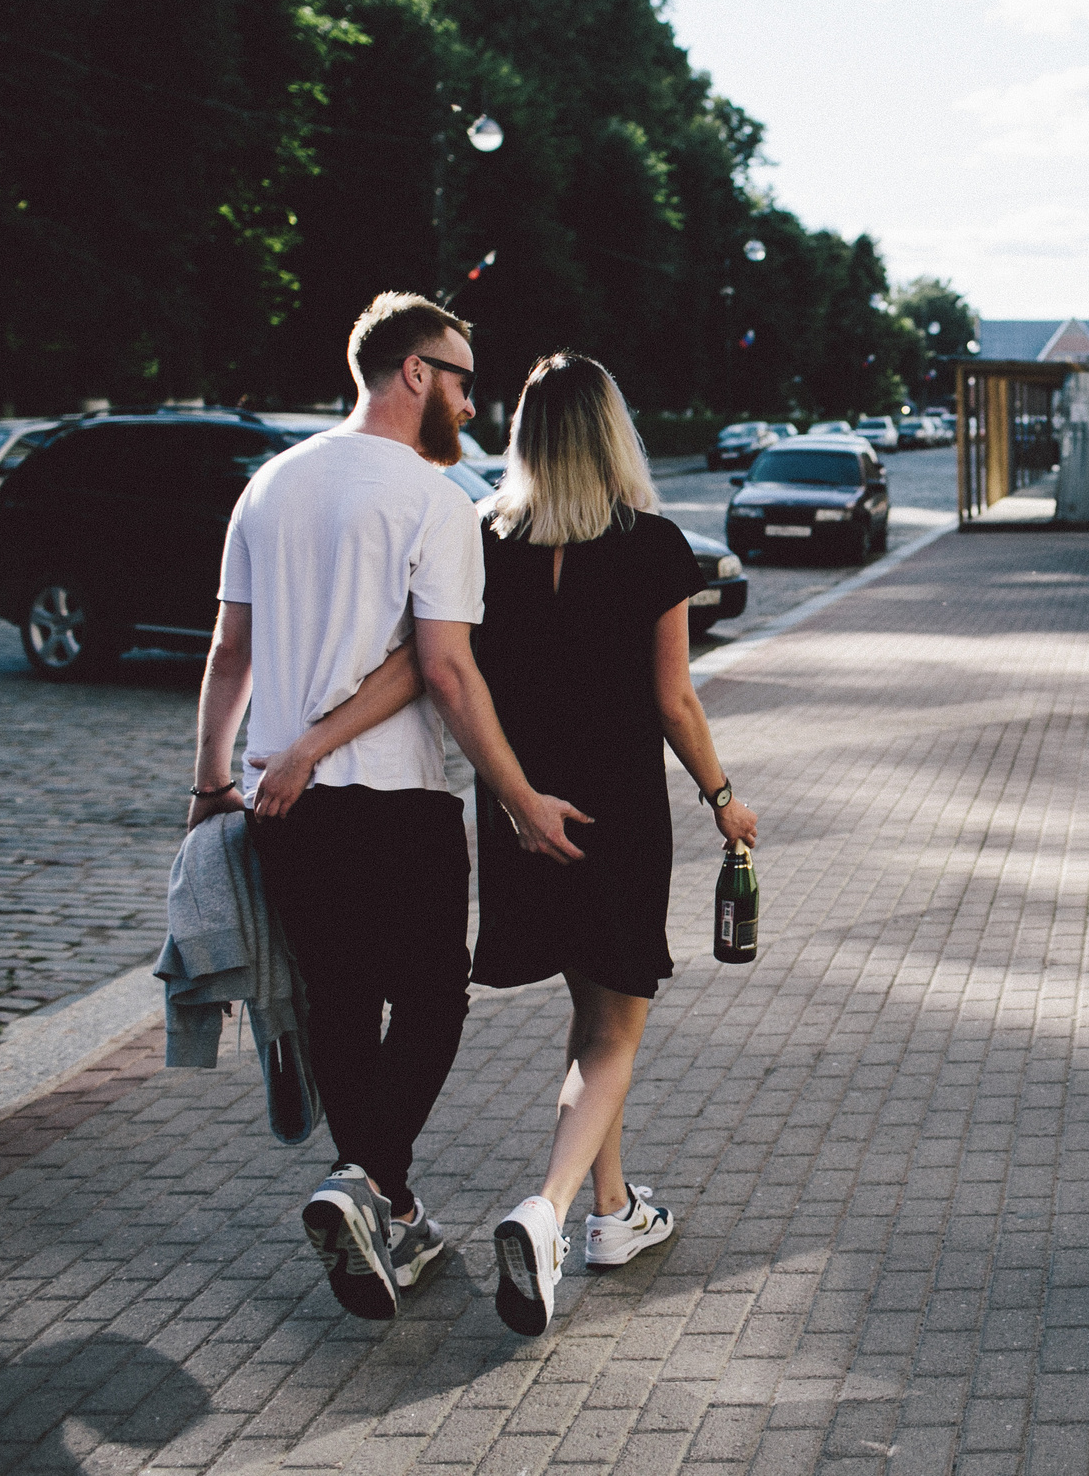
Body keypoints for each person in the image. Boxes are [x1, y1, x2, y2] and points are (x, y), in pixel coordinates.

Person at [188, 291, 589, 1324]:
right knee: (431, 997)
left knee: (337, 1002)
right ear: (415, 372)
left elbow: (228, 652)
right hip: (394, 799)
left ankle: (380, 1203)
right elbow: (444, 670)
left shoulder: (269, 486)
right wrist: (518, 798)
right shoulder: (435, 497)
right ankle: (366, 1181)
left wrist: (210, 783)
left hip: (283, 803)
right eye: (460, 373)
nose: (469, 392)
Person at [472, 352, 758, 1337]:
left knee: (593, 1021)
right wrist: (722, 796)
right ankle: (545, 1214)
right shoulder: (651, 547)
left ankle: (611, 1215)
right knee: (614, 1036)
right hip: (617, 811)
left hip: (517, 811)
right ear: (612, 432)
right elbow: (672, 697)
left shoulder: (486, 543)